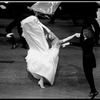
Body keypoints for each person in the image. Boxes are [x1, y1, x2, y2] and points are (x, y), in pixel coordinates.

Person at [21, 12, 80, 88]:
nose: (51, 35)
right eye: (49, 36)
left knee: (48, 66)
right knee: (47, 66)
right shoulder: (57, 41)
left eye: (50, 35)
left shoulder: (54, 37)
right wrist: (74, 35)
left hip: (53, 52)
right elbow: (66, 39)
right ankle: (41, 81)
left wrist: (40, 23)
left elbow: (46, 29)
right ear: (50, 38)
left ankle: (41, 80)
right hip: (53, 53)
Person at [79, 24, 99, 99]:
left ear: (85, 35)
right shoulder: (90, 40)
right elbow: (81, 43)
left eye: (83, 34)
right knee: (89, 76)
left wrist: (70, 43)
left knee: (89, 76)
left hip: (88, 60)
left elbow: (80, 44)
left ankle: (94, 91)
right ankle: (93, 90)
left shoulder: (86, 42)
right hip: (89, 60)